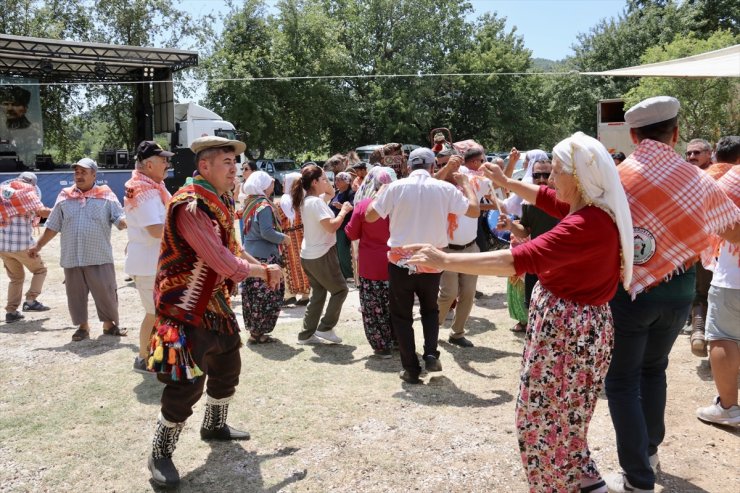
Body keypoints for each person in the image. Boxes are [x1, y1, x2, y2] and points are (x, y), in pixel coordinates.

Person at [405, 132, 634, 493]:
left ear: (577, 178)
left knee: (543, 419)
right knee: (562, 418)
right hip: (571, 327)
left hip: (567, 333)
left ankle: (560, 484)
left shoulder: (584, 224)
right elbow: (546, 200)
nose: (548, 179)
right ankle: (577, 478)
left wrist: (445, 258)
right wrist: (506, 181)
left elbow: (514, 259)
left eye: (555, 171)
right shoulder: (592, 209)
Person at [603, 97, 740, 493]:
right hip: (680, 290)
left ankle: (638, 477)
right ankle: (649, 453)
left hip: (629, 292)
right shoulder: (698, 179)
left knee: (623, 380)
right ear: (676, 133)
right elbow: (733, 230)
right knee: (654, 369)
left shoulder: (617, 178)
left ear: (632, 135)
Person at [145, 136, 281, 487]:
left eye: (235, 163)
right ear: (204, 167)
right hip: (185, 308)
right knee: (186, 385)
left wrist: (261, 264)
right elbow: (221, 261)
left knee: (227, 365)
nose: (234, 168)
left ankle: (215, 425)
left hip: (212, 303)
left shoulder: (217, 199)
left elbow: (231, 248)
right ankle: (161, 452)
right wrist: (262, 271)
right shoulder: (190, 204)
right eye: (226, 162)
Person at [366, 147, 479, 384]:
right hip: (431, 259)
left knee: (401, 315)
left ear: (409, 167)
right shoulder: (444, 188)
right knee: (430, 309)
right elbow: (474, 210)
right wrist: (466, 183)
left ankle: (411, 368)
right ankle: (430, 353)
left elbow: (370, 216)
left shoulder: (396, 187)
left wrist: (381, 192)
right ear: (432, 167)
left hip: (400, 260)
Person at [29, 158, 128, 341]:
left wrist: (129, 221)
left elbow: (119, 219)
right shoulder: (65, 196)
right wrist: (38, 245)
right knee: (75, 295)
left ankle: (109, 325)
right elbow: (53, 225)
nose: (79, 176)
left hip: (99, 255)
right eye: (77, 172)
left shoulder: (106, 195)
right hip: (72, 256)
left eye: (84, 172)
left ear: (94, 175)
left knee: (106, 291)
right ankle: (83, 327)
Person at [434, 146, 494, 348]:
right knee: (448, 294)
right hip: (448, 250)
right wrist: (447, 168)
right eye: (445, 166)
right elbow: (433, 182)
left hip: (470, 248)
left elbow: (498, 184)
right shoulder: (441, 188)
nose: (453, 170)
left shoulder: (470, 182)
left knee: (468, 294)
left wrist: (510, 164)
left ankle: (457, 333)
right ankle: (433, 327)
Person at [695, 165, 740, 427]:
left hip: (733, 277)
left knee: (724, 336)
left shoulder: (735, 176)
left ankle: (728, 408)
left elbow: (710, 209)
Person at [689, 136, 740, 357]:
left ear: (714, 154)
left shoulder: (704, 179)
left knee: (701, 291)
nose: (691, 157)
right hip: (730, 256)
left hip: (703, 246)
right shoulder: (734, 177)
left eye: (696, 152)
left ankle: (699, 332)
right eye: (689, 153)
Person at [124, 141, 173, 373]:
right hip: (148, 264)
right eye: (163, 159)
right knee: (153, 313)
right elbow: (154, 229)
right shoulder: (144, 191)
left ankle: (153, 354)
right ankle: (143, 358)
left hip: (153, 262)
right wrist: (183, 237)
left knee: (159, 313)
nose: (167, 163)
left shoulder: (153, 188)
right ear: (149, 164)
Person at [292, 164, 351, 345]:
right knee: (341, 290)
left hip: (310, 254)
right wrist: (344, 211)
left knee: (318, 293)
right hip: (321, 254)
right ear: (315, 182)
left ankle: (306, 334)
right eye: (324, 179)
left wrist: (325, 182)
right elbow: (331, 226)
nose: (328, 182)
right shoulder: (315, 202)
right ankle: (325, 328)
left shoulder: (309, 200)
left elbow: (331, 194)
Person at [344, 166, 397, 358]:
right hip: (397, 263)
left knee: (373, 308)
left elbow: (351, 233)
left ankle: (381, 345)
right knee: (396, 305)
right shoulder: (400, 205)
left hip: (370, 266)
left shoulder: (364, 205)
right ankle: (398, 340)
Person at [498, 159, 560, 308]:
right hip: (537, 260)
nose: (541, 180)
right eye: (537, 175)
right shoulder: (529, 202)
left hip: (560, 262)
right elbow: (526, 230)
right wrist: (511, 226)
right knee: (533, 306)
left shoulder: (565, 199)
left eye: (546, 175)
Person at [240, 171, 288, 343]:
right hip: (265, 257)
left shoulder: (249, 203)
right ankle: (259, 332)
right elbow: (266, 232)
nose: (273, 186)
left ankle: (255, 331)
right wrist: (284, 238)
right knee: (268, 294)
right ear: (263, 186)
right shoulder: (264, 206)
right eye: (270, 183)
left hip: (250, 255)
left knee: (253, 294)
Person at [0, 172, 51, 323]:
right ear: (33, 184)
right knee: (40, 270)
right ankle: (30, 301)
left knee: (16, 278)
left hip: (2, 246)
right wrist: (61, 211)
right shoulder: (27, 193)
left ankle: (11, 311)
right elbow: (42, 212)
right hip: (22, 245)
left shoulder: (3, 191)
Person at [275, 172, 311, 304]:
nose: (283, 184)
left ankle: (290, 295)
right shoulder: (304, 199)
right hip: (303, 234)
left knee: (289, 266)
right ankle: (306, 295)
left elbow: (277, 219)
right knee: (302, 265)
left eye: (285, 182)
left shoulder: (281, 202)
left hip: (287, 237)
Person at [330, 171, 355, 280]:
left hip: (344, 226)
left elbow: (354, 207)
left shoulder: (351, 193)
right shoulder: (336, 193)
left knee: (343, 251)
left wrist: (342, 207)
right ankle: (341, 273)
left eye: (340, 179)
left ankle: (349, 274)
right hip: (335, 225)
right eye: (336, 179)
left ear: (347, 181)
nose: (337, 182)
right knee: (337, 251)